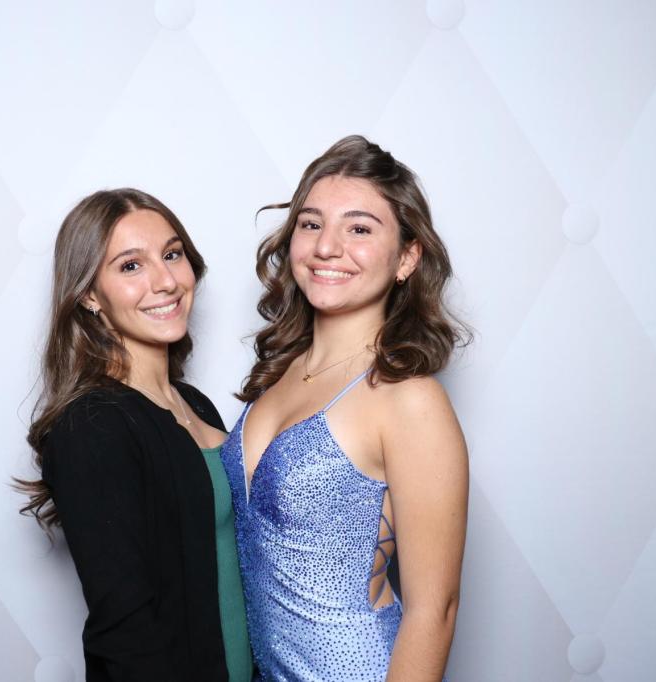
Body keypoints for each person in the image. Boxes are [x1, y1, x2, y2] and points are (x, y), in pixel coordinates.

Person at [219, 136, 471, 681]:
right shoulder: (278, 375)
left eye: (359, 229)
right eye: (311, 224)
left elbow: (436, 610)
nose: (327, 247)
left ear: (407, 257)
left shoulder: (408, 399)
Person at [15, 188, 252, 681]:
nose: (165, 281)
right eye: (130, 266)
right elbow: (126, 631)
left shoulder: (195, 404)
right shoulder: (91, 425)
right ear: (88, 294)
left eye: (172, 254)